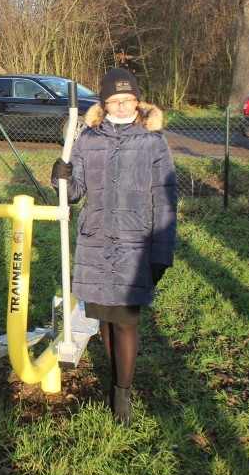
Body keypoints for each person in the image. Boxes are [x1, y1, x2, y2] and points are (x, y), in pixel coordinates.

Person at [51, 67, 178, 426]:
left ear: (138, 102)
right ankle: (114, 376)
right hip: (96, 244)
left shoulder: (154, 142)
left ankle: (122, 391)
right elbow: (74, 192)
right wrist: (60, 176)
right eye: (114, 101)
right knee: (103, 319)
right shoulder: (87, 140)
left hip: (136, 246)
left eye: (128, 100)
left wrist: (161, 253)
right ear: (103, 105)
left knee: (125, 322)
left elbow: (166, 199)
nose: (122, 107)